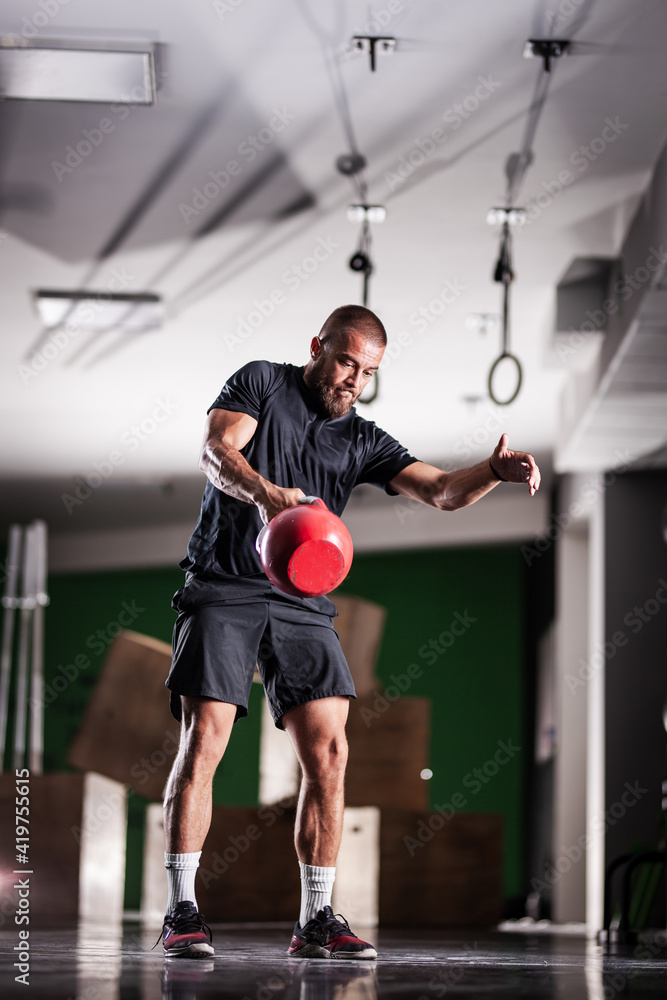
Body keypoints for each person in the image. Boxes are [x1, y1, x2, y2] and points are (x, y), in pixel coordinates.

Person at [159, 304, 540, 960]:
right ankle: (182, 910)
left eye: (367, 372)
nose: (353, 380)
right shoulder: (262, 382)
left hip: (302, 598)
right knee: (206, 740)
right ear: (318, 346)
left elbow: (441, 490)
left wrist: (491, 472)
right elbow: (216, 452)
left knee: (330, 752)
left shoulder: (363, 439)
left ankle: (316, 919)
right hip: (224, 585)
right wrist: (267, 495)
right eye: (345, 362)